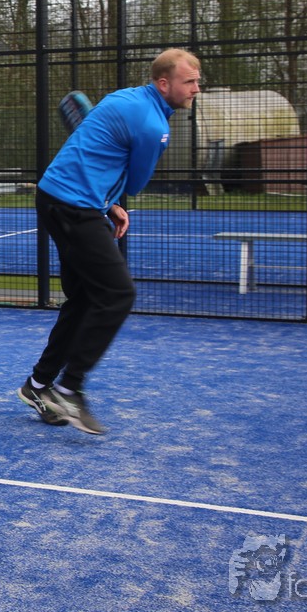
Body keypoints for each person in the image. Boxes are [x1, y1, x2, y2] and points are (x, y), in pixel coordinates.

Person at [18, 48, 202, 434]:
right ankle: (69, 389)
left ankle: (38, 385)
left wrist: (109, 203)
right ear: (163, 83)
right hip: (71, 207)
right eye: (189, 81)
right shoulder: (153, 127)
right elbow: (134, 182)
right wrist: (114, 199)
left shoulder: (125, 97)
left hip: (63, 199)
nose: (196, 89)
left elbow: (99, 156)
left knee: (85, 298)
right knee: (118, 294)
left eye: (197, 81)